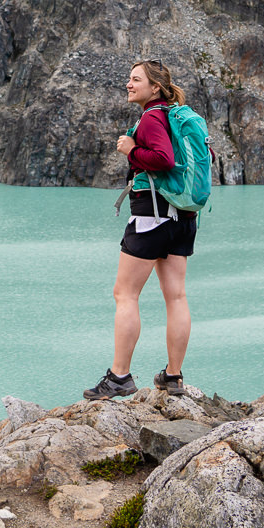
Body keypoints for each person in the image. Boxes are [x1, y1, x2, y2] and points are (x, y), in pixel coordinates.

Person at [83, 59, 197, 401]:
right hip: (183, 218)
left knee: (125, 294)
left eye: (136, 80)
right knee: (176, 296)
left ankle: (119, 376)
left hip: (152, 218)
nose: (129, 84)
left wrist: (132, 149)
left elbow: (162, 159)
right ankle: (173, 377)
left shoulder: (151, 118)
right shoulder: (174, 117)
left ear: (155, 88)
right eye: (129, 79)